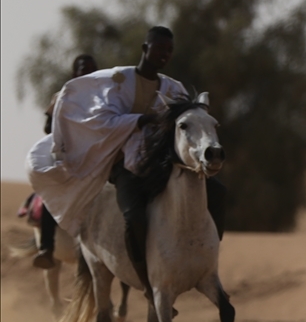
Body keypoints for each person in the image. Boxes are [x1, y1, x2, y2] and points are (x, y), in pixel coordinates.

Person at [27, 26, 226, 290]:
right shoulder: (116, 81)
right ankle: (145, 280)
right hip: (124, 166)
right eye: (159, 49)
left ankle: (205, 261)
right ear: (145, 49)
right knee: (133, 216)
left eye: (169, 51)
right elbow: (101, 121)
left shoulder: (172, 87)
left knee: (219, 193)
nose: (164, 55)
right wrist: (141, 120)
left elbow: (184, 121)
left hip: (160, 165)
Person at [31, 54, 99, 268]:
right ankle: (47, 248)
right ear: (74, 73)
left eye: (90, 69)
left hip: (95, 158)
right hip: (66, 157)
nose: (86, 72)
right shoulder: (61, 96)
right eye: (82, 69)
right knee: (53, 195)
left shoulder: (103, 98)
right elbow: (47, 127)